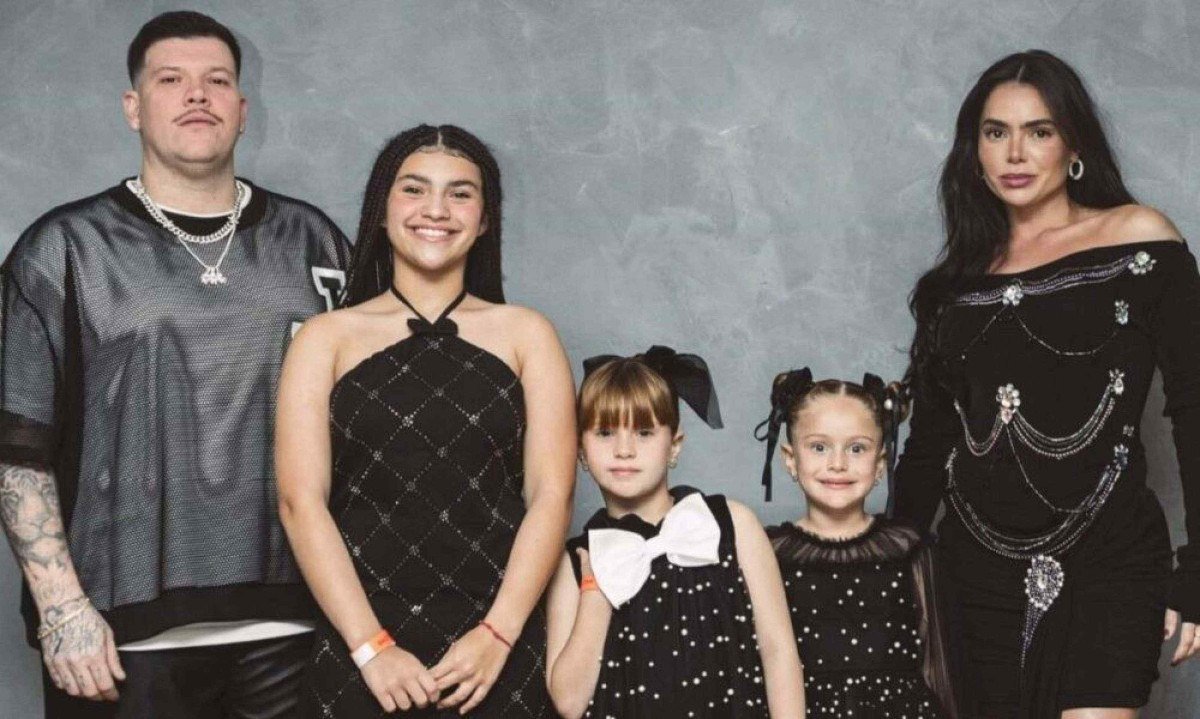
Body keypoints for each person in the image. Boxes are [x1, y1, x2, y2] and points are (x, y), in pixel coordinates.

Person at [0, 10, 350, 718]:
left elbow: (371, 418)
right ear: (133, 107)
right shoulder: (65, 247)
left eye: (217, 81)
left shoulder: (313, 239)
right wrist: (62, 609)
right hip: (120, 630)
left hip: (298, 621)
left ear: (242, 110)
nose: (197, 95)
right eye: (171, 80)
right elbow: (19, 447)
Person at [894, 49, 1200, 718]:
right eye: (995, 132)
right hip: (974, 570)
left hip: (1111, 557)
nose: (1016, 153)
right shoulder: (953, 289)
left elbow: (1194, 405)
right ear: (974, 151)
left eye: (1040, 131)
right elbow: (930, 446)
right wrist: (889, 569)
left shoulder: (1140, 241)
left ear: (1074, 145)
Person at [277, 124, 574, 717]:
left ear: (485, 219)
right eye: (414, 189)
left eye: (460, 193)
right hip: (361, 647)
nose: (436, 209)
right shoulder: (324, 338)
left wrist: (498, 635)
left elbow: (552, 496)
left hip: (496, 648)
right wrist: (371, 647)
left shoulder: (528, 335)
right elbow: (300, 502)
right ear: (382, 210)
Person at [543, 347, 805, 718]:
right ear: (581, 451)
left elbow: (778, 651)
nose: (624, 450)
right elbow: (568, 703)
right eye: (604, 432)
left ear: (674, 445)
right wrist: (594, 591)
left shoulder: (732, 524)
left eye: (644, 432)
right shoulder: (574, 562)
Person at [758, 369, 960, 717]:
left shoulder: (909, 549)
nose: (838, 464)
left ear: (880, 463)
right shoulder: (766, 553)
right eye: (819, 447)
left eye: (856, 448)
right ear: (791, 459)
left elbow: (938, 668)